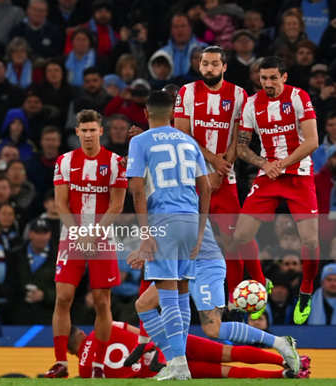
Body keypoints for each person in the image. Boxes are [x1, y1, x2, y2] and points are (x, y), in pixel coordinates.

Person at [125, 222, 304, 377]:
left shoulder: (180, 194)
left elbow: (181, 232)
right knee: (143, 304)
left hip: (203, 264)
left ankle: (280, 343)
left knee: (213, 328)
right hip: (180, 264)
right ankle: (174, 366)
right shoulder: (161, 195)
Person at [174, 46, 267, 314]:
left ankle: (236, 298)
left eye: (215, 64)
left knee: (233, 239)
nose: (209, 68)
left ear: (224, 67)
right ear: (199, 66)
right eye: (205, 63)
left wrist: (219, 171)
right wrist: (212, 163)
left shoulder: (238, 95)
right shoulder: (187, 92)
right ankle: (183, 302)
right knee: (187, 242)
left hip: (224, 178)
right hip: (190, 177)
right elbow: (183, 135)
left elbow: (240, 138)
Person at [126, 90, 210, 380]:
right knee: (182, 294)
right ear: (173, 113)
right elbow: (207, 187)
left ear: (146, 114)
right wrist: (200, 232)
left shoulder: (139, 141)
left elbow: (137, 190)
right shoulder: (188, 140)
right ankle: (178, 362)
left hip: (163, 219)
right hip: (190, 219)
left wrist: (145, 234)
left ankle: (178, 365)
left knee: (168, 295)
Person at [235, 56, 320, 324]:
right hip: (269, 173)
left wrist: (281, 164)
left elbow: (313, 141)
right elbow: (241, 146)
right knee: (240, 236)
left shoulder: (298, 97)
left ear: (284, 77)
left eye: (273, 78)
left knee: (310, 241)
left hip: (298, 173)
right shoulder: (251, 103)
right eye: (263, 78)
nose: (268, 83)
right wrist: (264, 163)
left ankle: (305, 290)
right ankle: (261, 285)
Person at [46, 109, 127, 378]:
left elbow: (117, 205)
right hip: (71, 237)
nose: (89, 135)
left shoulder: (115, 163)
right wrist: (79, 233)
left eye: (93, 130)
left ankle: (98, 366)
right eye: (84, 130)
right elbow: (61, 203)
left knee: (102, 302)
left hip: (102, 238)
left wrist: (93, 234)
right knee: (63, 298)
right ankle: (61, 363)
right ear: (77, 132)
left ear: (101, 132)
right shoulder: (65, 161)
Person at [70, 323, 309, 379]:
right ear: (80, 332)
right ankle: (285, 360)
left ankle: (282, 376)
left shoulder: (85, 372)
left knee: (225, 372)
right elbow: (140, 334)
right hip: (170, 345)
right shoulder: (105, 327)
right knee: (228, 352)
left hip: (164, 371)